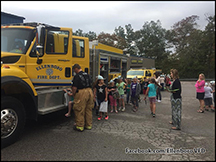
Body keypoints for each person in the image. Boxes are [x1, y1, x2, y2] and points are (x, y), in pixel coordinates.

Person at [71, 64, 94, 132]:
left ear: (76, 68)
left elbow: (74, 87)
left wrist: (73, 94)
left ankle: (80, 126)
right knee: (88, 109)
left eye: (74, 70)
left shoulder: (77, 76)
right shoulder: (87, 75)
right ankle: (88, 125)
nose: (74, 71)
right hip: (89, 91)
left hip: (81, 92)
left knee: (79, 109)